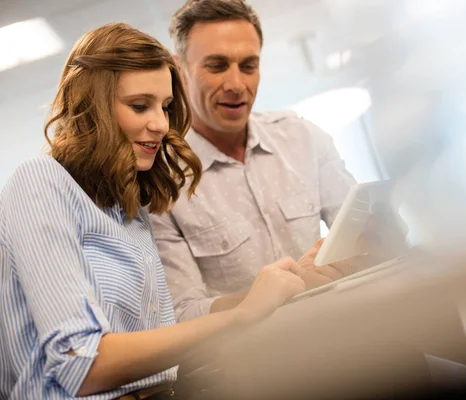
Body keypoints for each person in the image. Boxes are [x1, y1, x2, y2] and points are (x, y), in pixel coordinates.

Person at [0, 22, 307, 400]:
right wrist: (240, 316)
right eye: (140, 106)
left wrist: (262, 294)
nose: (161, 124)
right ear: (93, 106)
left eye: (165, 107)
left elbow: (157, 345)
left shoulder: (127, 207)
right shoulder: (40, 181)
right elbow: (82, 364)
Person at [150, 0, 359, 320]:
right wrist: (283, 288)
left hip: (346, 325)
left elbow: (360, 229)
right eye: (217, 66)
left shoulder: (303, 137)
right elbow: (184, 313)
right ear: (180, 71)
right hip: (256, 359)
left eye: (248, 66)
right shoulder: (161, 182)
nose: (236, 85)